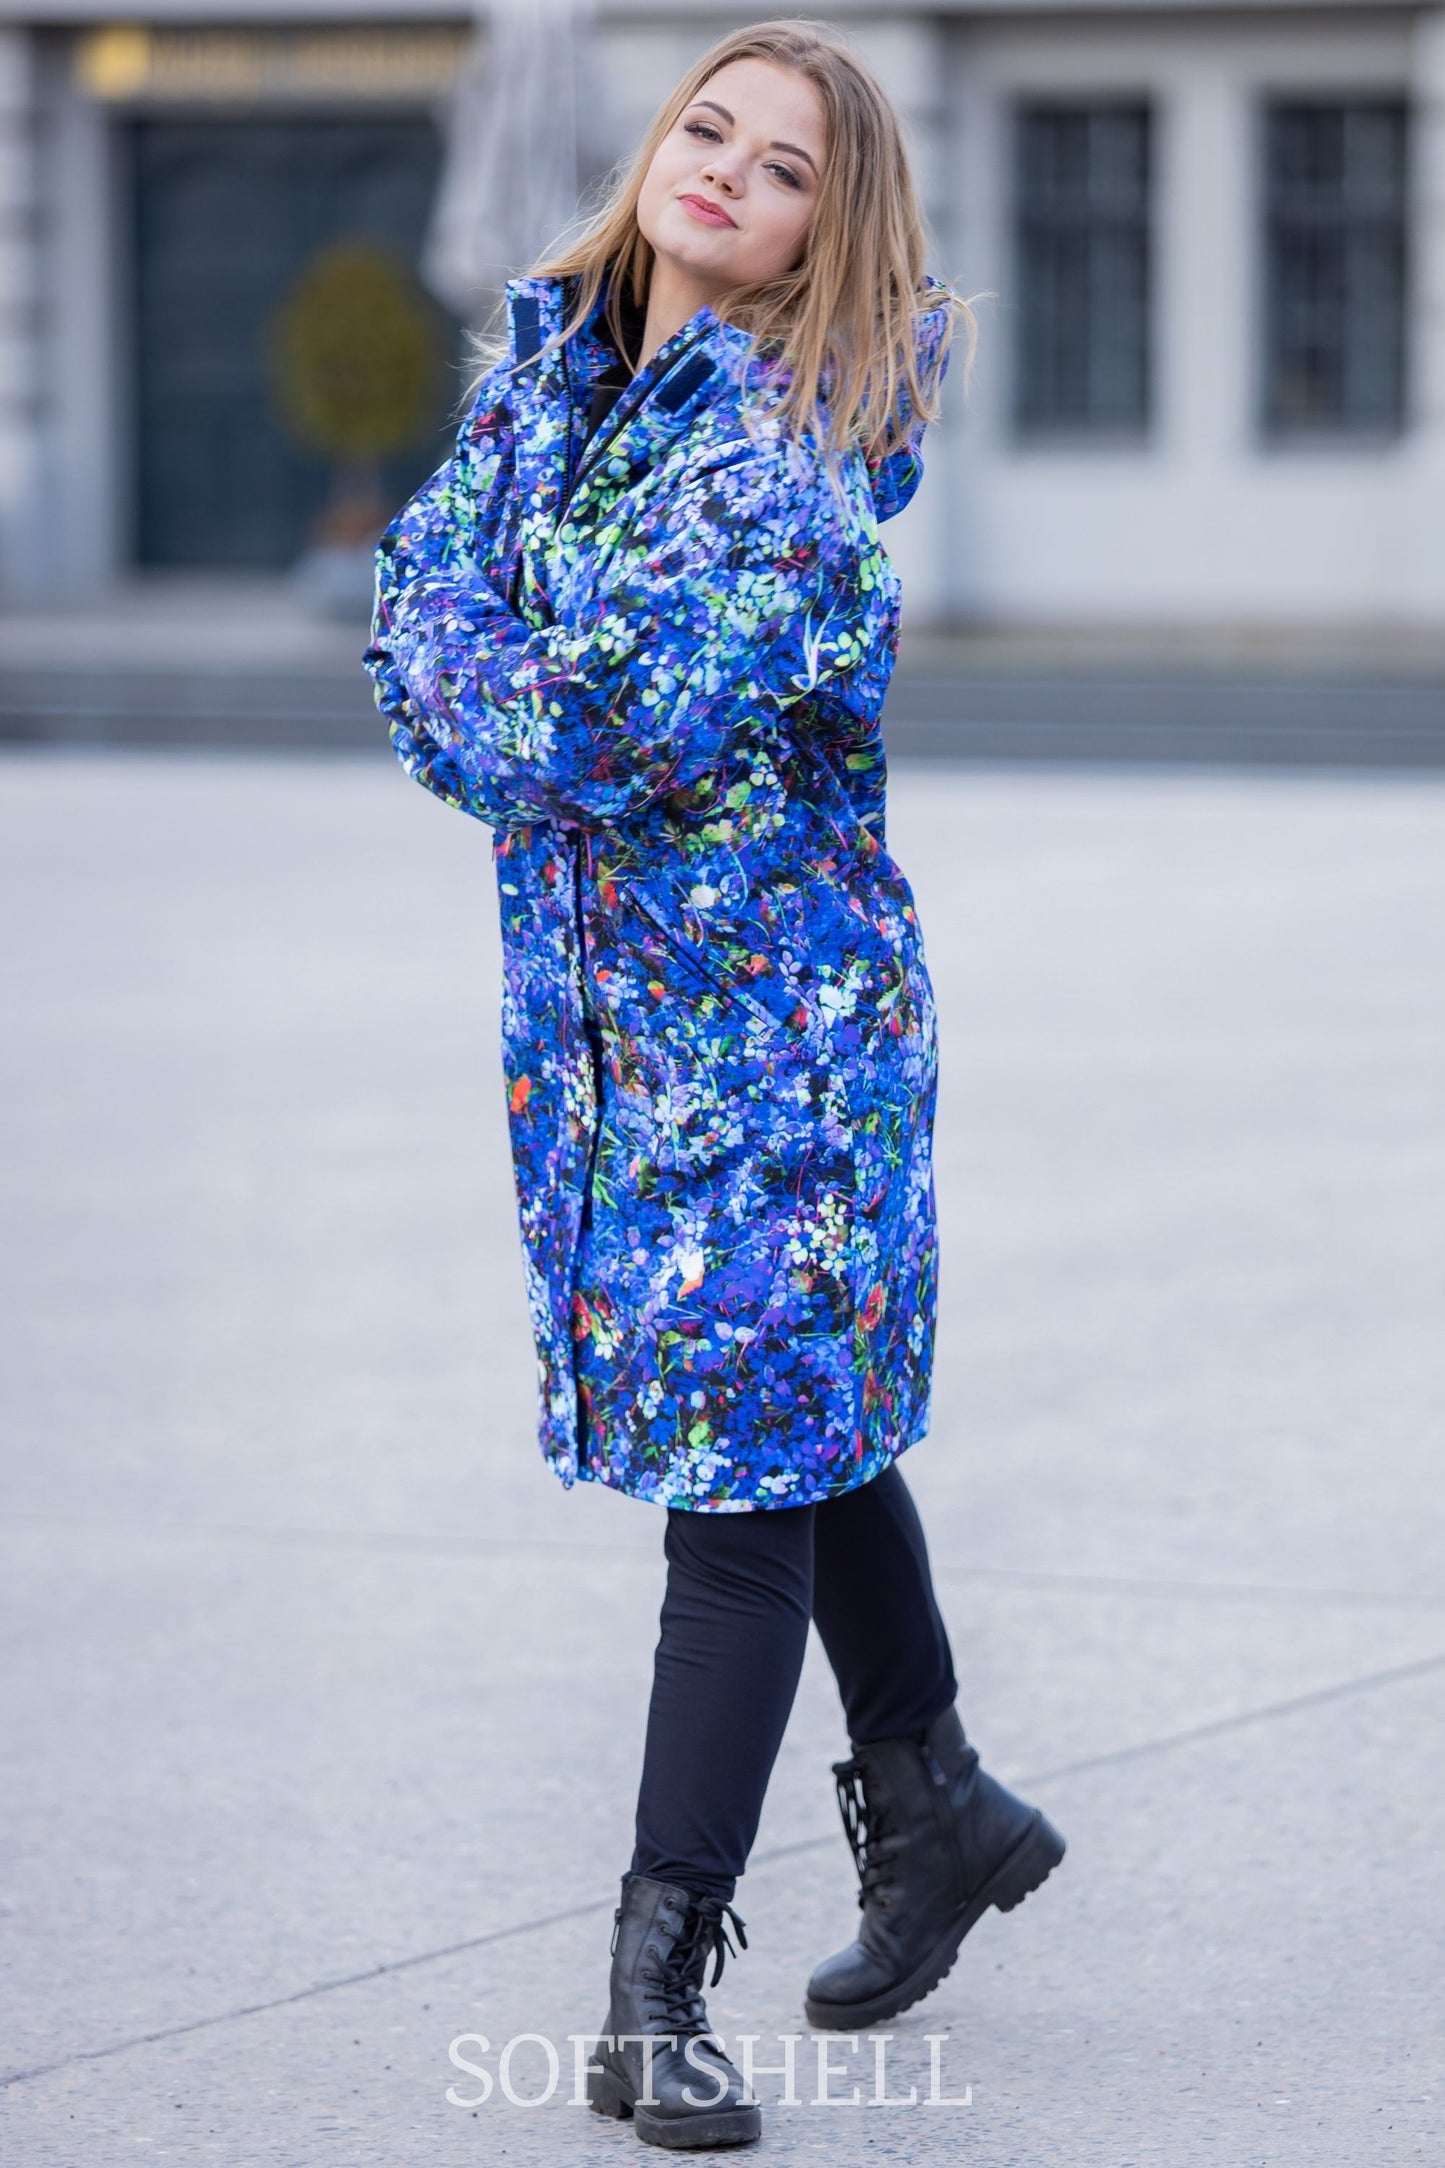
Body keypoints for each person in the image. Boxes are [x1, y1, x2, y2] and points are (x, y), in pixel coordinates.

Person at [365, 17, 1065, 2152]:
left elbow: (587, 730)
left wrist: (461, 646)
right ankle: (937, 1804)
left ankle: (652, 1986)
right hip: (617, 1046)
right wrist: (461, 644)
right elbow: (414, 608)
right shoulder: (550, 379)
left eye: (780, 172)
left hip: (777, 1055)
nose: (725, 175)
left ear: (821, 235)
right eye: (710, 130)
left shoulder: (779, 457)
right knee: (803, 1435)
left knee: (738, 1501)